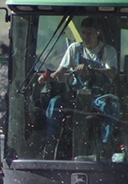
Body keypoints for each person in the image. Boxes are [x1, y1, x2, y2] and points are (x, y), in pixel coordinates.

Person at [36, 17, 120, 157]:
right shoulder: (74, 48)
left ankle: (104, 146)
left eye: (89, 33)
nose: (86, 36)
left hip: (99, 95)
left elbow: (112, 73)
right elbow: (60, 73)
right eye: (84, 33)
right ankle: (51, 144)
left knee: (113, 108)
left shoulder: (108, 51)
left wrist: (91, 69)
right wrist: (47, 78)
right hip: (76, 94)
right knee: (54, 103)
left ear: (98, 32)